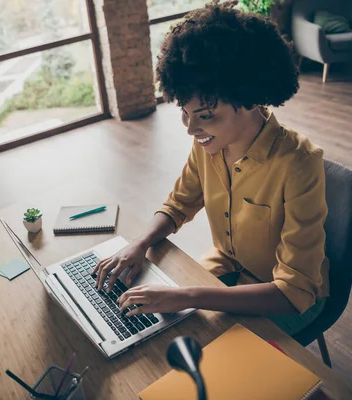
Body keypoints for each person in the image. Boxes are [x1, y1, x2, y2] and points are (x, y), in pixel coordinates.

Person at [93, 2, 329, 335]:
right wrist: (139, 242)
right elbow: (178, 205)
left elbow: (294, 292)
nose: (191, 130)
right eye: (185, 114)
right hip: (228, 266)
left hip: (283, 298)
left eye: (205, 116)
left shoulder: (299, 164)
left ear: (251, 99)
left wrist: (187, 296)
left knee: (202, 346)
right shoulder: (210, 143)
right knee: (160, 329)